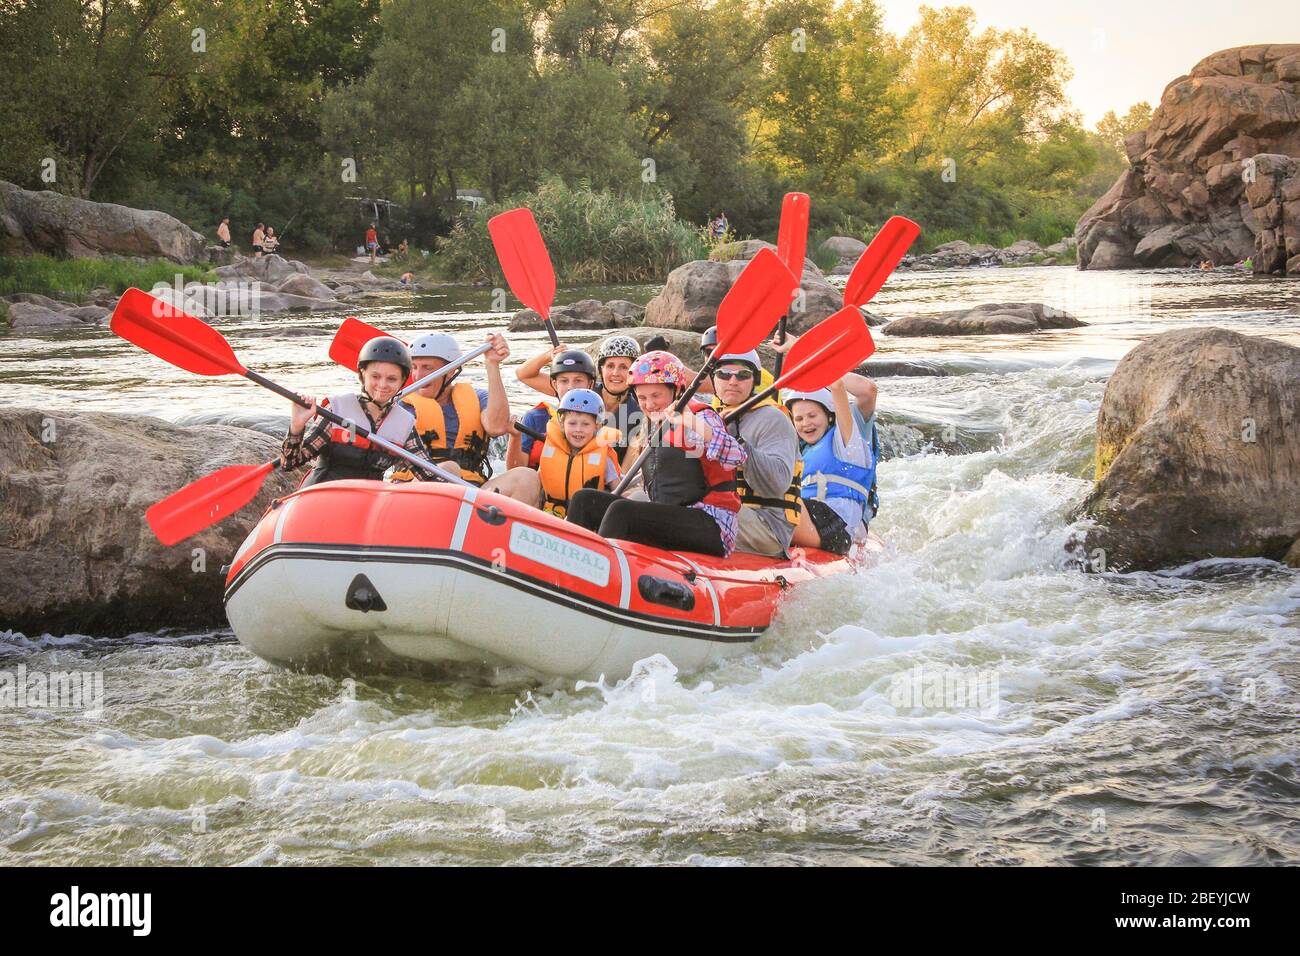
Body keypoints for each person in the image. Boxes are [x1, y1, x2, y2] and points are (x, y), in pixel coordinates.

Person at [566, 351, 746, 557]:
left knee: (622, 513)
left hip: (711, 524)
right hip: (669, 514)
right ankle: (567, 566)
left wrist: (691, 423)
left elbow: (737, 456)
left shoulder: (699, 415)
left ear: (677, 390)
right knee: (585, 500)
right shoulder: (651, 423)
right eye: (642, 398)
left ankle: (599, 571)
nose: (649, 404)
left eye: (656, 396)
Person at [280, 336, 426, 486]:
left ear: (402, 381)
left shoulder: (404, 424)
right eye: (375, 376)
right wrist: (296, 427)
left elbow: (428, 473)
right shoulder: (337, 410)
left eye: (392, 379)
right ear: (362, 375)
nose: (383, 385)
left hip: (369, 501)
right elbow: (290, 464)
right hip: (323, 495)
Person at [708, 349, 803, 557]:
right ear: (713, 380)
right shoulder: (709, 418)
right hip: (725, 511)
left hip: (767, 526)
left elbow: (776, 483)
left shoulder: (773, 419)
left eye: (742, 375)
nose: (732, 381)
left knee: (697, 511)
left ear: (754, 381)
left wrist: (737, 445)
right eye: (724, 374)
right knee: (638, 498)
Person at [783, 382, 879, 555]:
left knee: (774, 506)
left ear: (829, 416)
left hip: (836, 523)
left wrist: (816, 367)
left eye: (812, 416)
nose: (806, 423)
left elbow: (837, 387)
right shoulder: (800, 452)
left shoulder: (846, 442)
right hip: (811, 515)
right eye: (799, 419)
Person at [514, 334, 643, 461]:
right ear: (601, 369)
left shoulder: (641, 409)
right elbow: (524, 375)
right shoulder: (581, 390)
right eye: (610, 366)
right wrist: (549, 355)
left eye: (623, 367)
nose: (615, 373)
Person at [537, 388, 621, 518]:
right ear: (562, 424)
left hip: (585, 519)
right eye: (572, 423)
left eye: (586, 424)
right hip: (550, 514)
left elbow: (618, 490)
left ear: (597, 426)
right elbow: (539, 480)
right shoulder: (552, 449)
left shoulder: (604, 459)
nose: (578, 430)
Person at [509, 348, 599, 469]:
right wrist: (515, 438)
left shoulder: (600, 420)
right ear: (555, 384)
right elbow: (514, 470)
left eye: (578, 380)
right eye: (564, 381)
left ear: (590, 384)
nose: (570, 387)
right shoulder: (535, 417)